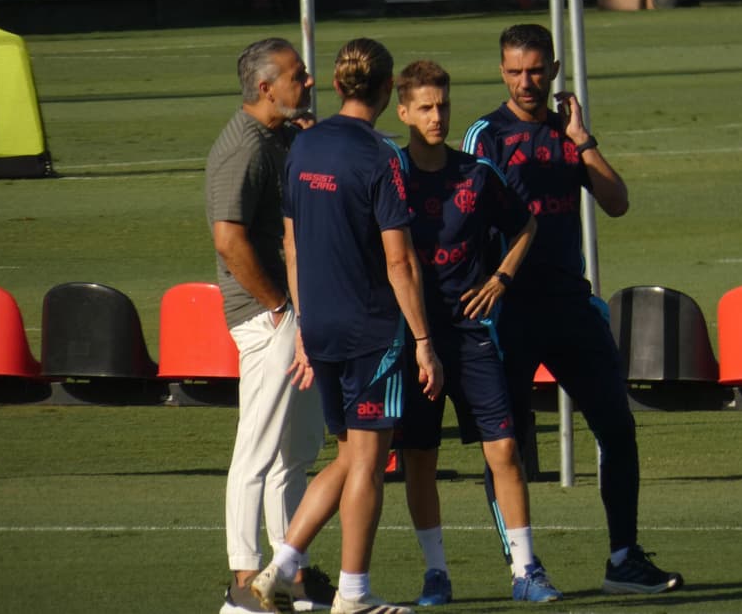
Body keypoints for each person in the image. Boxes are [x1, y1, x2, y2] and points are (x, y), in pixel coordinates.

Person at [462, 23, 684, 596]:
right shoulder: (485, 135)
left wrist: (583, 139)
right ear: (501, 71)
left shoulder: (567, 134)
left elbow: (616, 202)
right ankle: (524, 567)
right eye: (514, 71)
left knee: (617, 426)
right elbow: (461, 218)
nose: (525, 81)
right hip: (508, 311)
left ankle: (623, 559)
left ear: (554, 69)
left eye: (536, 69)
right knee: (507, 443)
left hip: (570, 307)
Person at [249, 38, 444, 614]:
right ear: (388, 92)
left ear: (337, 87)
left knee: (347, 455)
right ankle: (353, 594)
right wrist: (425, 341)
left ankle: (284, 564)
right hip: (371, 329)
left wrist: (306, 326)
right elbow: (399, 261)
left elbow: (291, 247)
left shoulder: (303, 146)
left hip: (322, 327)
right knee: (368, 464)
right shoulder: (382, 157)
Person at [393, 59, 563, 606]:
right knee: (419, 457)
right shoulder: (388, 175)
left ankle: (526, 569)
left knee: (505, 449)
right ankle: (436, 573)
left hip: (471, 336)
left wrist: (501, 278)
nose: (437, 115)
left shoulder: (476, 174)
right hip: (412, 341)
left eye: (443, 104)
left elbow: (526, 224)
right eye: (425, 107)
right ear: (403, 112)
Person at [205, 37, 335, 614]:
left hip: (292, 312)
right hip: (267, 315)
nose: (308, 83)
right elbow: (228, 239)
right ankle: (241, 582)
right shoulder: (243, 148)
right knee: (256, 450)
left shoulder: (280, 136)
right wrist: (280, 307)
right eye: (297, 76)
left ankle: (289, 575)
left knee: (294, 451)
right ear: (266, 87)